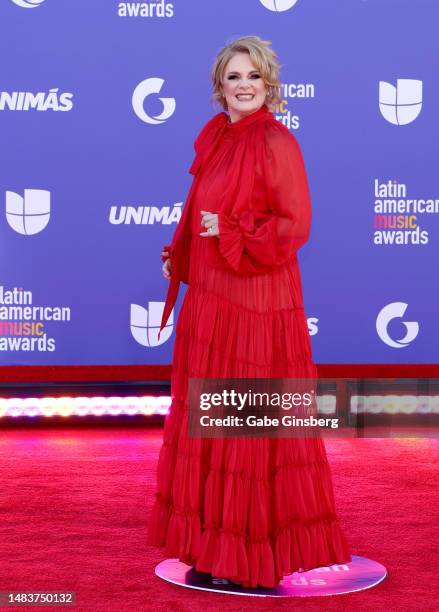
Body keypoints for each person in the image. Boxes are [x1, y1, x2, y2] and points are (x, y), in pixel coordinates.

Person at [147, 35, 351, 588]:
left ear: (269, 85)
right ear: (220, 85)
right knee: (212, 424)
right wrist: (183, 253)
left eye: (253, 77)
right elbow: (199, 210)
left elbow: (294, 225)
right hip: (212, 295)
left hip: (257, 300)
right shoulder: (215, 135)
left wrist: (232, 229)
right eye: (234, 77)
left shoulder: (276, 141)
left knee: (249, 423)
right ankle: (215, 552)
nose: (243, 86)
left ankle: (254, 562)